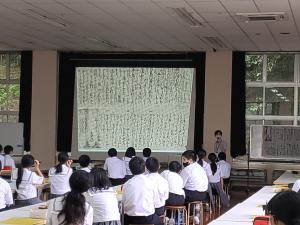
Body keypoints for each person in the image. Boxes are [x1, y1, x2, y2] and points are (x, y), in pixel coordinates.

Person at [122, 157, 161, 225]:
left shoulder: (126, 184)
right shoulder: (151, 182)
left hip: (130, 219)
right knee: (160, 220)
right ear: (145, 168)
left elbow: (123, 202)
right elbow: (157, 203)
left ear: (130, 169)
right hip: (148, 219)